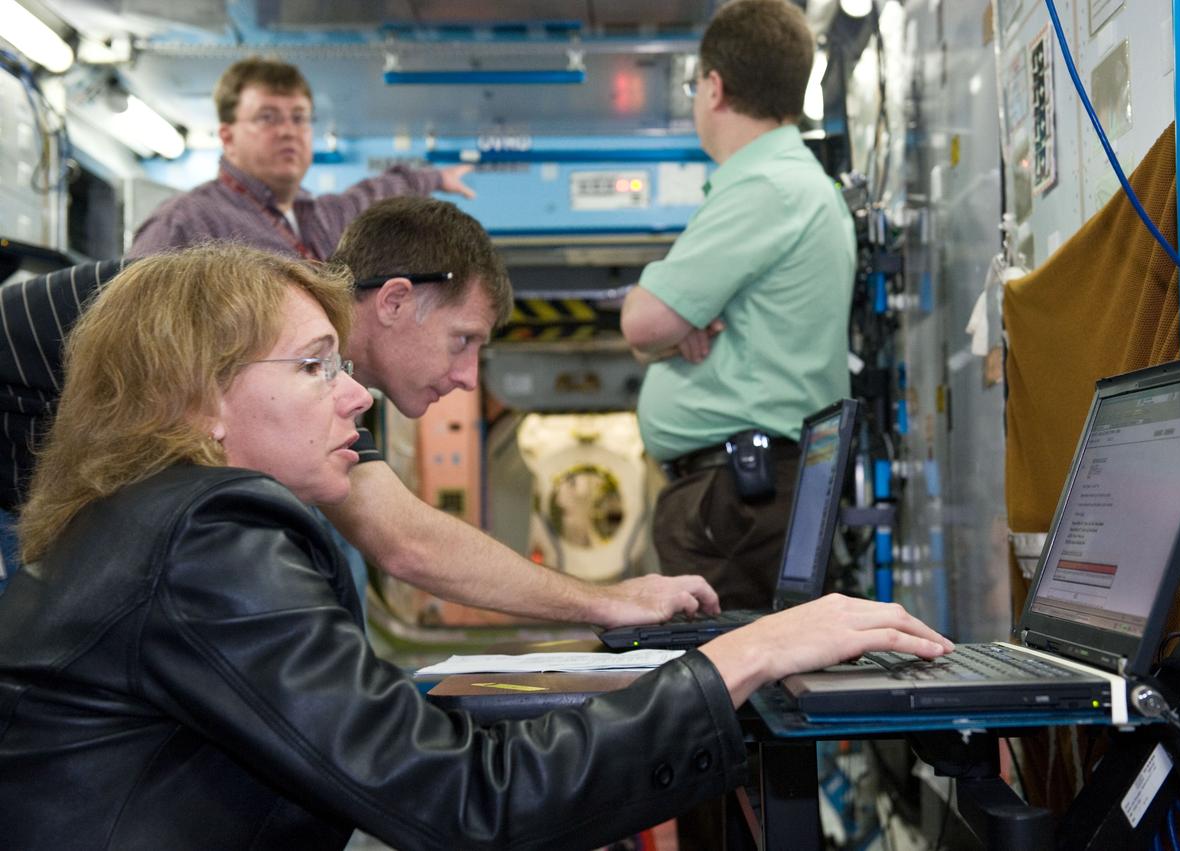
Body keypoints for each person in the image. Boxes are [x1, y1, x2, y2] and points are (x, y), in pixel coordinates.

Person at [0, 244, 952, 849]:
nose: (356, 394)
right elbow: (470, 808)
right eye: (312, 366)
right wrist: (749, 652)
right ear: (193, 401)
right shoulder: (209, 535)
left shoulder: (135, 518)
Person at [0, 200, 718, 625]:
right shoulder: (238, 317)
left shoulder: (316, 379)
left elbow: (406, 536)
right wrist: (608, 601)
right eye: (462, 342)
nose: (468, 378)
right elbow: (409, 544)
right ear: (398, 300)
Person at [621, 0, 856, 611]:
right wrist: (681, 327)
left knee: (734, 695)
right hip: (750, 494)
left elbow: (641, 320)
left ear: (715, 88)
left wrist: (665, 326)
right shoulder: (787, 182)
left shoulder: (763, 186)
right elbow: (660, 329)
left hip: (739, 500)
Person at [126, 56, 475, 261]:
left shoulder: (321, 216)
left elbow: (374, 194)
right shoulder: (188, 221)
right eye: (268, 117)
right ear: (227, 137)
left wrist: (435, 179)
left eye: (299, 117)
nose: (288, 131)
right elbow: (127, 328)